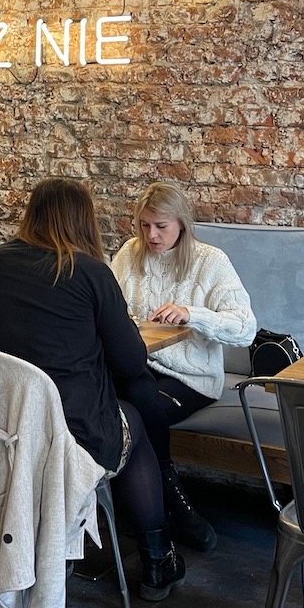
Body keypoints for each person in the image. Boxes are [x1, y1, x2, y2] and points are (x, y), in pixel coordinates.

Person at [0, 177, 185, 601]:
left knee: (126, 409)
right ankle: (157, 558)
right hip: (71, 438)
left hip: (1, 431)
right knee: (136, 420)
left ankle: (72, 548)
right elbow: (130, 361)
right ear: (83, 221)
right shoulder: (90, 272)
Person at [109, 182, 256, 553]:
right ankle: (167, 495)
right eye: (144, 226)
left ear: (182, 224)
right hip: (136, 369)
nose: (151, 236)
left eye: (161, 226)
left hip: (191, 377)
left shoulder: (211, 261)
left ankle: (159, 502)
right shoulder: (130, 254)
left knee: (134, 401)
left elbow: (245, 327)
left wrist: (193, 314)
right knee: (130, 389)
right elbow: (108, 309)